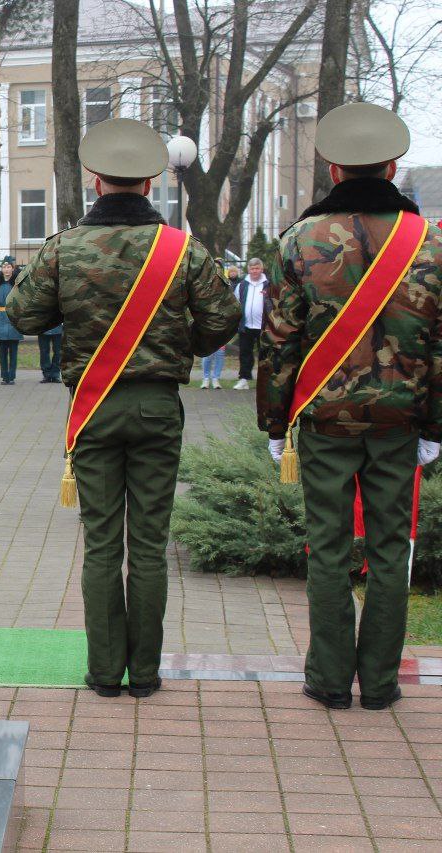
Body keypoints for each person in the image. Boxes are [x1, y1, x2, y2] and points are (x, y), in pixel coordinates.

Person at [8, 118, 240, 699]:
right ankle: (147, 674)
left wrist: (77, 317)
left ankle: (105, 673)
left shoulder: (65, 248)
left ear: (94, 181)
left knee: (103, 543)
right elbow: (222, 322)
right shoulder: (182, 249)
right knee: (151, 544)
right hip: (158, 406)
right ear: (151, 181)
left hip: (94, 409)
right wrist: (175, 345)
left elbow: (22, 316)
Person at [258, 102, 442, 711]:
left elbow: (278, 339)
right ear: (392, 167)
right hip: (401, 420)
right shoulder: (433, 244)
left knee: (327, 548)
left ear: (334, 171)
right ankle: (382, 685)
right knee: (393, 550)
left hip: (326, 420)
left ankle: (331, 680)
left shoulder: (300, 240)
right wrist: (437, 425)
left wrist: (275, 423)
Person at [233, 257, 270, 390]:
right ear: (248, 269)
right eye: (252, 268)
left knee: (264, 355)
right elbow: (236, 303)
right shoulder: (242, 285)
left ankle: (264, 381)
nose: (255, 271)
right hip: (246, 326)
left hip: (263, 327)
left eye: (257, 268)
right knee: (245, 354)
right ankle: (243, 379)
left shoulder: (268, 285)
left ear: (262, 269)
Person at [0, 256, 23, 385]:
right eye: (4, 267)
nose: (6, 269)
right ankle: (4, 376)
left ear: (13, 269)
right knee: (2, 350)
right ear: (1, 269)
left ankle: (12, 376)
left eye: (8, 267)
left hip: (13, 318)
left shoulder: (18, 284)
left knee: (13, 350)